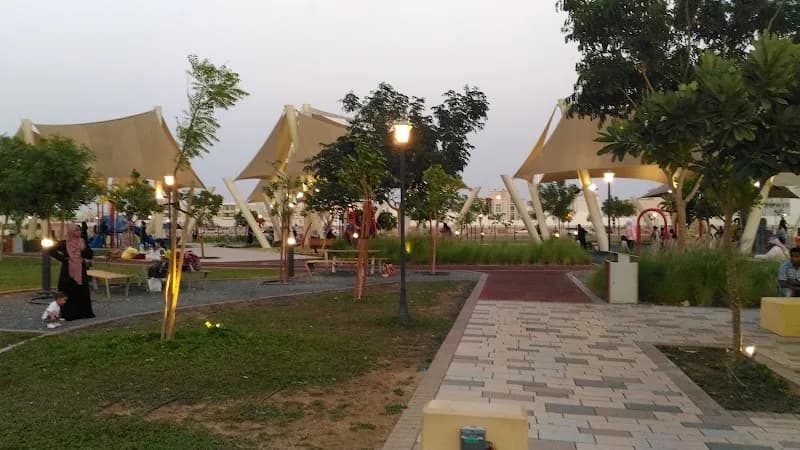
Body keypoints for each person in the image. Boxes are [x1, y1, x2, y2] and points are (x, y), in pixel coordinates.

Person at [49, 225, 95, 321]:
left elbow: (89, 255)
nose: (78, 232)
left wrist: (84, 249)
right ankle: (69, 314)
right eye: (76, 230)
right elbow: (51, 251)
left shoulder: (82, 242)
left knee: (81, 291)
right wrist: (64, 259)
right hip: (68, 271)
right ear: (70, 232)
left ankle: (83, 313)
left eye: (79, 230)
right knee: (68, 292)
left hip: (80, 270)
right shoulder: (64, 243)